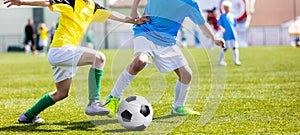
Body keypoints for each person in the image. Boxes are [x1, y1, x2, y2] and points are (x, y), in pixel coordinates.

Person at [4, 0, 150, 123]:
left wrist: (134, 20)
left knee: (61, 93)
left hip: (66, 52)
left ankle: (28, 116)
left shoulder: (92, 6)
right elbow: (46, 1)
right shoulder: (71, 1)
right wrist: (21, 2)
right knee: (98, 58)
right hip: (60, 49)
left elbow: (113, 15)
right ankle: (94, 102)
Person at [104, 0, 225, 117]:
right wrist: (134, 11)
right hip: (146, 31)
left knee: (186, 74)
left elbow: (201, 23)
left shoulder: (190, 3)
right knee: (140, 62)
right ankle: (113, 98)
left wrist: (214, 38)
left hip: (167, 41)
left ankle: (178, 107)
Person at [218, 1, 241, 66]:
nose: (227, 9)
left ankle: (236, 61)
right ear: (224, 8)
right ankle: (220, 61)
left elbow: (235, 25)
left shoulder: (232, 16)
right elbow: (219, 24)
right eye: (225, 8)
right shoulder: (222, 16)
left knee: (234, 47)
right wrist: (222, 28)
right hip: (226, 35)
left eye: (228, 7)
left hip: (233, 35)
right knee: (225, 48)